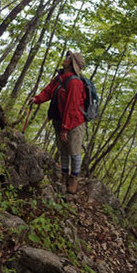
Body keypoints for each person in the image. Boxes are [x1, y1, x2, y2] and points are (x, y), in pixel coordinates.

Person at [29, 50, 86, 194]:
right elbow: (49, 91)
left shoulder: (74, 82)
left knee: (74, 151)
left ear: (72, 64)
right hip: (60, 120)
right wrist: (37, 99)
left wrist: (65, 128)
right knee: (63, 150)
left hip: (74, 123)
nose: (65, 59)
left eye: (68, 58)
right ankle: (64, 176)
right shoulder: (60, 77)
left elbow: (72, 107)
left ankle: (74, 179)